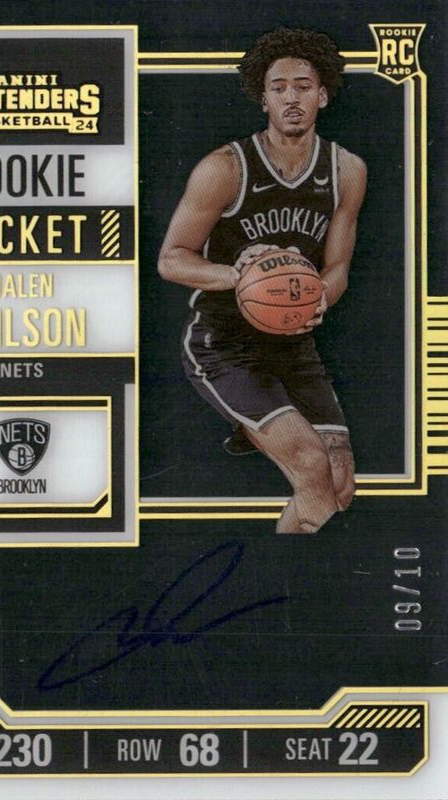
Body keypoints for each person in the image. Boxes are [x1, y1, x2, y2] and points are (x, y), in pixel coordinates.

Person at [158, 27, 367, 534]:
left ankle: (286, 567)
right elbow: (171, 259)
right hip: (223, 343)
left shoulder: (347, 170)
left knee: (339, 484)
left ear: (322, 95)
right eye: (279, 88)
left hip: (293, 343)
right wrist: (239, 275)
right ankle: (299, 576)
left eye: (303, 86)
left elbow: (337, 268)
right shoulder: (225, 168)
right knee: (311, 466)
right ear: (263, 99)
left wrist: (320, 299)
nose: (291, 97)